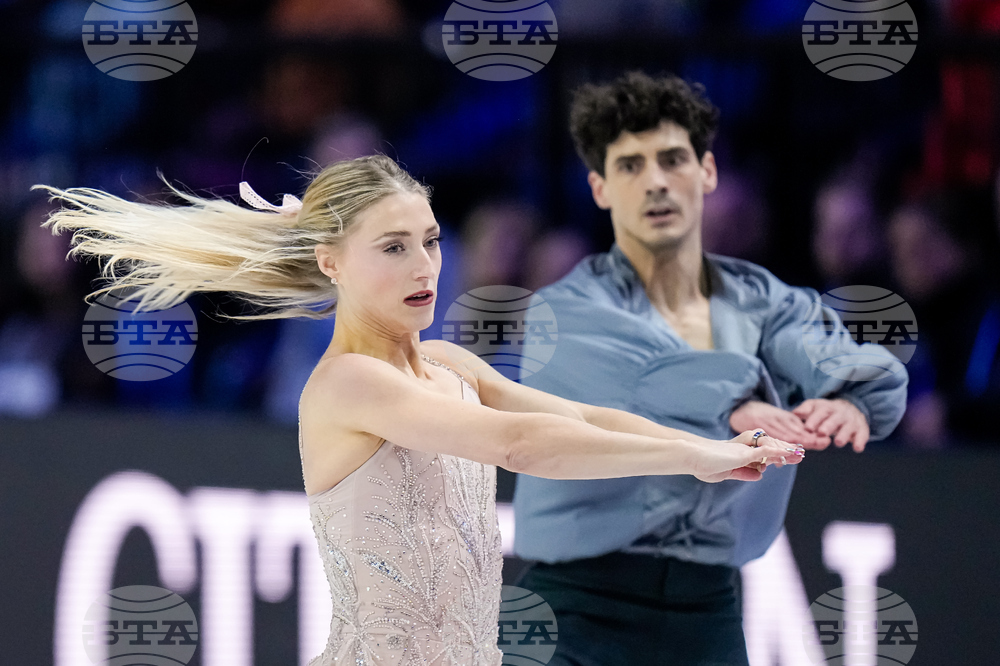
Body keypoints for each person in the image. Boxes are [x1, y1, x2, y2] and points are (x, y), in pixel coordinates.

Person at [32, 155, 803, 666]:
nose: (425, 267)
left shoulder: (448, 366)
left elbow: (579, 417)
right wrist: (695, 461)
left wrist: (710, 440)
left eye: (429, 241)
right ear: (332, 261)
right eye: (393, 247)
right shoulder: (347, 387)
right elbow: (523, 444)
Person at [511, 72, 909, 665]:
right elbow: (639, 382)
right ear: (599, 187)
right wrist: (736, 404)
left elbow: (837, 355)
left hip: (706, 614)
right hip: (572, 609)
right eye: (630, 166)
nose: (656, 182)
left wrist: (851, 396)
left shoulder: (767, 303)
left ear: (708, 173)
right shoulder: (565, 311)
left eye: (673, 159)